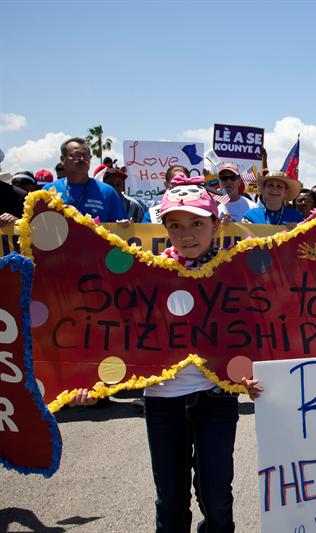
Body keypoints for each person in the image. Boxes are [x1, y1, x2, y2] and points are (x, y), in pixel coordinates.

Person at [71, 173, 262, 532]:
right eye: (175, 225)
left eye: (196, 223)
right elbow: (104, 324)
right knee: (170, 499)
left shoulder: (235, 274)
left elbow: (257, 330)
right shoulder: (148, 274)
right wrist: (85, 380)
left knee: (217, 496)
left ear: (216, 225)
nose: (186, 234)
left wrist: (257, 377)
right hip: (162, 400)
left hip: (216, 398)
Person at [43, 137, 127, 222]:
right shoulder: (49, 191)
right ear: (62, 159)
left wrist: (123, 225)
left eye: (86, 156)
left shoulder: (107, 192)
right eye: (76, 155)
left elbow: (119, 228)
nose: (82, 159)